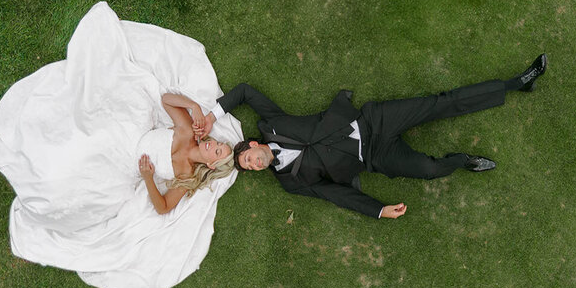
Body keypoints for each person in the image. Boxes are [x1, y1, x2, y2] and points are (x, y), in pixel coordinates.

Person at [0, 2, 243, 288]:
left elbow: (162, 208)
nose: (214, 144)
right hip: (125, 136)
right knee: (80, 139)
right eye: (219, 144)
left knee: (71, 186)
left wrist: (148, 177)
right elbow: (166, 100)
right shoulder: (188, 132)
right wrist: (193, 106)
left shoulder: (186, 178)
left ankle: (46, 184)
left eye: (217, 152)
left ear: (211, 166)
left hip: (129, 170)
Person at [195, 55, 547, 219]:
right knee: (428, 170)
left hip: (372, 121)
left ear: (254, 145)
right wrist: (377, 210)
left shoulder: (272, 124)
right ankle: (462, 162)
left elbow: (244, 92)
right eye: (253, 168)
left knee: (441, 103)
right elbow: (337, 195)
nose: (256, 165)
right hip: (375, 157)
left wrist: (213, 113)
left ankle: (519, 82)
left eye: (250, 158)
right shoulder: (291, 182)